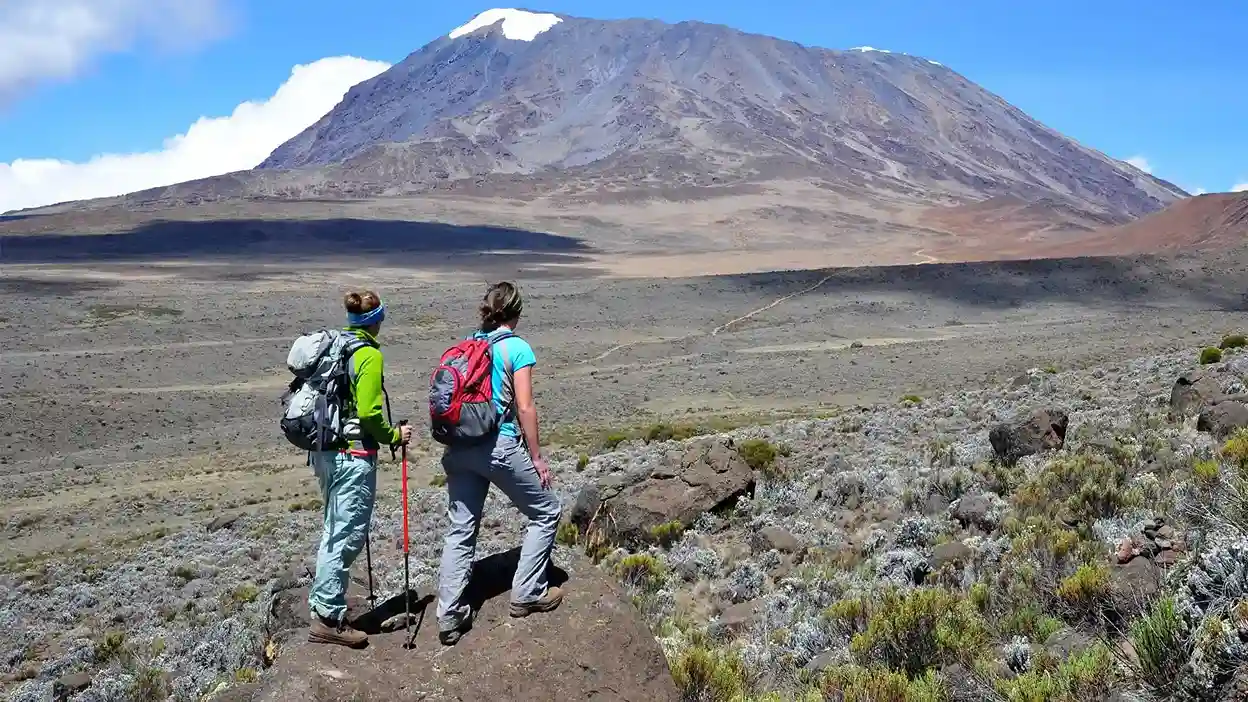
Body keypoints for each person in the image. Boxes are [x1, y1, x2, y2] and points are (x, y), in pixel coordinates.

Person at [436, 281, 563, 646]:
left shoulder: (469, 345)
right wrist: (536, 458)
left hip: (459, 449)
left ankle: (449, 615)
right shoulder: (516, 348)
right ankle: (527, 591)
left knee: (460, 529)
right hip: (498, 446)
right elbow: (525, 407)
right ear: (517, 313)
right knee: (546, 512)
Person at [308, 290, 412, 648]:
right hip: (353, 456)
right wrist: (394, 434)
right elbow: (368, 413)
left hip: (326, 453)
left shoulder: (337, 347)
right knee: (346, 535)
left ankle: (325, 608)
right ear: (376, 320)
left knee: (333, 530)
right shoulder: (367, 355)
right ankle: (327, 619)